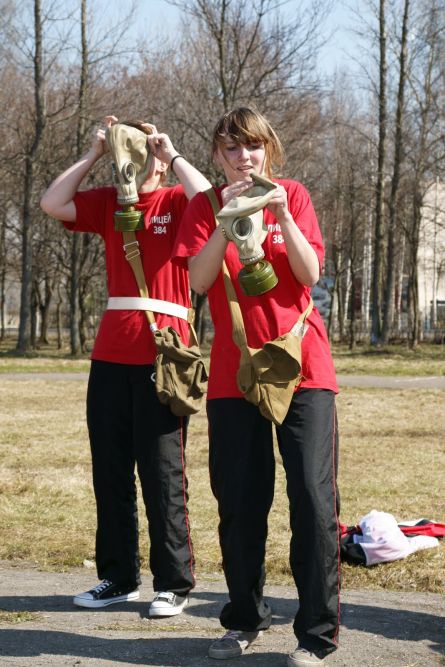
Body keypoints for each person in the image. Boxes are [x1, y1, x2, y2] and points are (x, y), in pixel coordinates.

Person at [173, 107, 340, 666]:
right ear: (217, 155)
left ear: (268, 148)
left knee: (312, 499)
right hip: (236, 372)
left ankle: (315, 635)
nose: (243, 156)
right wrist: (225, 221)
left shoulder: (293, 195)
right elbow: (199, 281)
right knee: (240, 502)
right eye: (231, 147)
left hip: (303, 366)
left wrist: (280, 213)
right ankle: (244, 619)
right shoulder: (204, 206)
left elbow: (310, 274)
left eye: (253, 146)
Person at [40, 115, 210, 617]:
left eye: (137, 152)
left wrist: (169, 153)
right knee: (110, 470)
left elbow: (210, 202)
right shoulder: (110, 203)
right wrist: (95, 152)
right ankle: (118, 577)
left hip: (164, 353)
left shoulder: (176, 201)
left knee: (162, 472)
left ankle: (174, 582)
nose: (130, 162)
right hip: (110, 356)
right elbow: (53, 203)